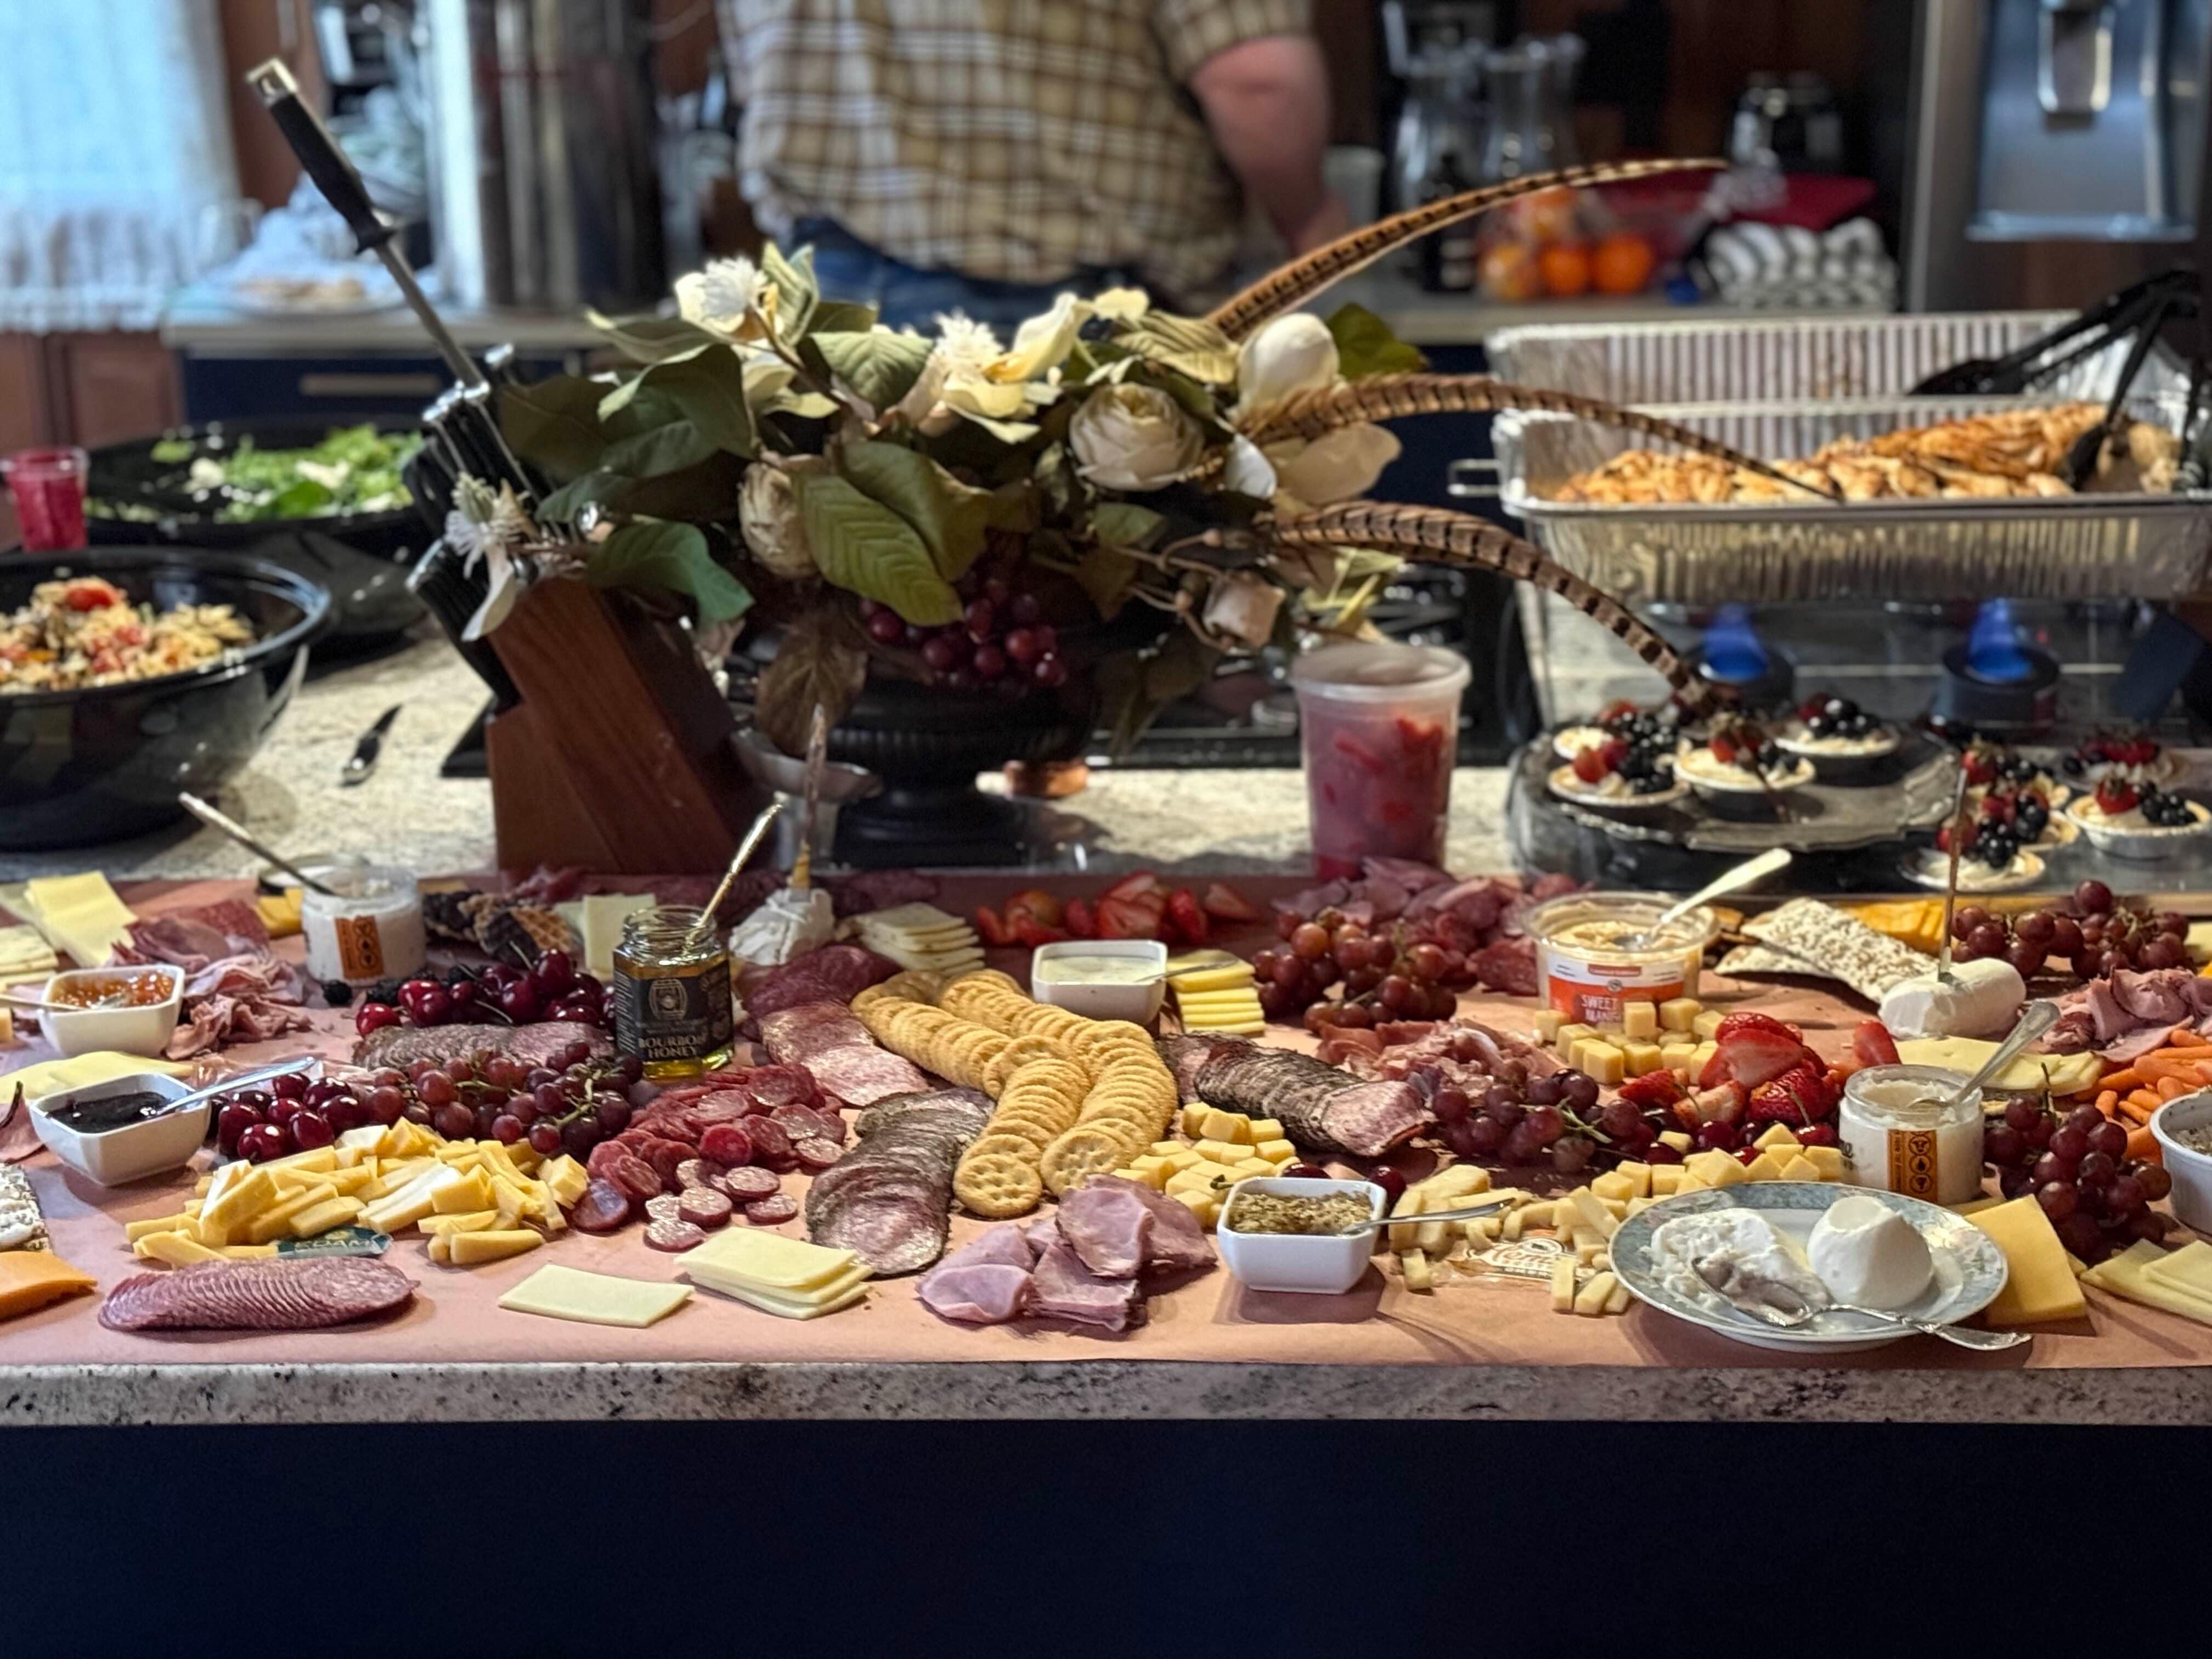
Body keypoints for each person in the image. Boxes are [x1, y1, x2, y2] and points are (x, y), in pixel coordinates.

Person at [716, 1, 1347, 332]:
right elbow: (1260, 83)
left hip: (819, 312)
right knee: (1071, 579)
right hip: (1062, 326)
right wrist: (1310, 219)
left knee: (860, 576)